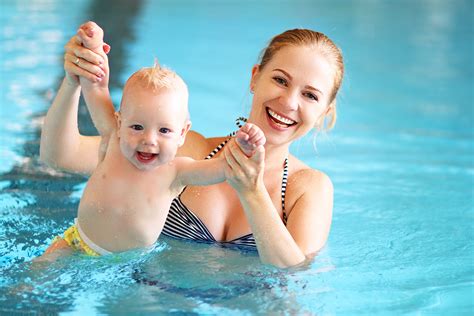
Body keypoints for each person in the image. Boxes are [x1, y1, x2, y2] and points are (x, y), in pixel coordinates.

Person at [40, 22, 344, 267]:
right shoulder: (178, 149)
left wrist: (251, 191)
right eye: (280, 80)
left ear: (323, 114)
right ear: (255, 78)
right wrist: (72, 81)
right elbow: (61, 157)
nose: (289, 102)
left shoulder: (308, 188)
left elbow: (295, 276)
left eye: (310, 95)